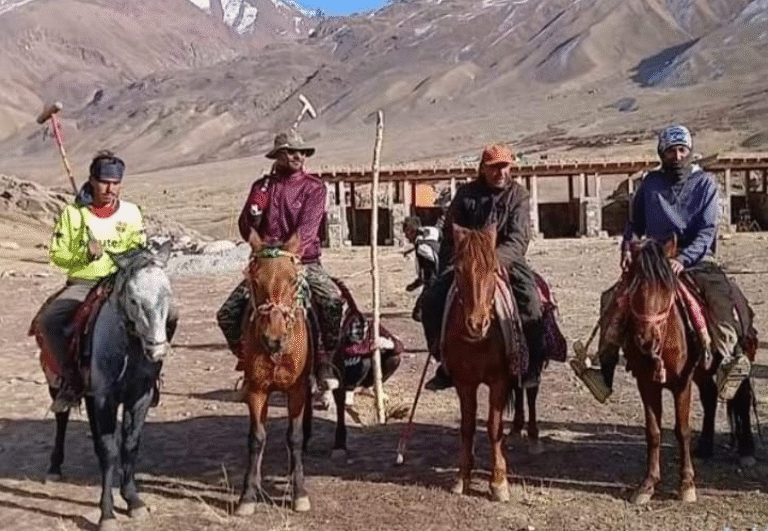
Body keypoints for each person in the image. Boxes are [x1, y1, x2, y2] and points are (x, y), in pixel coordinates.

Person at [575, 125, 751, 402]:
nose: (677, 155)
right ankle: (604, 368)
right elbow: (635, 224)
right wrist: (627, 248)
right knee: (614, 298)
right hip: (654, 260)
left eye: (682, 150)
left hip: (695, 259)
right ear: (662, 154)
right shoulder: (650, 183)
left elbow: (707, 231)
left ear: (689, 152)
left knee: (720, 296)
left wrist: (683, 258)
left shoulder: (704, 183)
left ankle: (728, 360)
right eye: (671, 151)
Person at [216, 130, 344, 388]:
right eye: (291, 151)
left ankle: (324, 360)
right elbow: (246, 226)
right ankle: (247, 358)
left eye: (302, 151)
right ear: (278, 156)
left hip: (301, 262)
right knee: (227, 313)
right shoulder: (262, 187)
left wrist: (286, 253)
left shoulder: (314, 188)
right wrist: (253, 212)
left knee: (331, 299)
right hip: (265, 265)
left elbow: (307, 230)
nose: (298, 156)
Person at [418, 143, 545, 390]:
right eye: (494, 168)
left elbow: (519, 238)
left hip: (507, 261)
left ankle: (531, 367)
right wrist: (457, 264)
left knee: (532, 301)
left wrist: (493, 261)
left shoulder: (518, 196)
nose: (500, 173)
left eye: (504, 167)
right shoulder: (466, 194)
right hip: (466, 263)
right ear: (483, 169)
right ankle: (443, 361)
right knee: (431, 299)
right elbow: (450, 233)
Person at [41, 151, 147, 412]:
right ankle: (72, 380)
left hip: (121, 282)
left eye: (116, 183)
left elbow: (139, 248)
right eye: (104, 182)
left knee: (165, 314)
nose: (110, 189)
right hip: (85, 284)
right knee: (49, 321)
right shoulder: (73, 214)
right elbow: (58, 255)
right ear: (91, 180)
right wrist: (84, 253)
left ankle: (150, 376)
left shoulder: (132, 213)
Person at [402, 216, 440, 321]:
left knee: (418, 315)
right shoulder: (426, 241)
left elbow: (433, 270)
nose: (406, 237)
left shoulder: (422, 248)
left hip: (437, 282)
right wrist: (416, 284)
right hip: (435, 281)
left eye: (406, 233)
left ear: (411, 231)